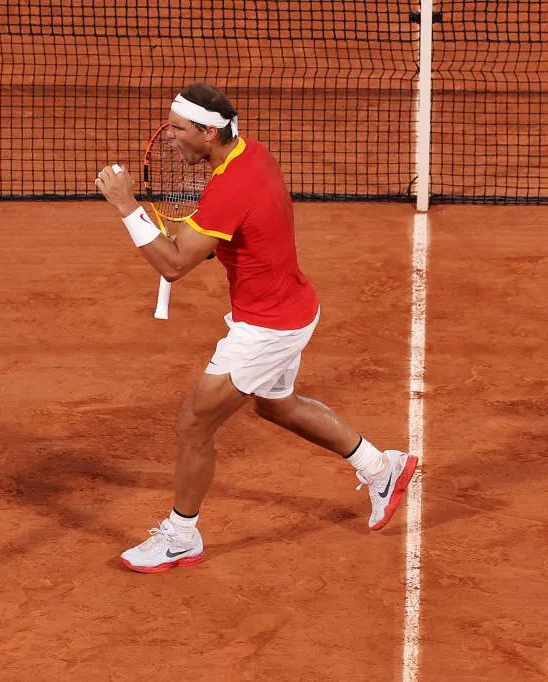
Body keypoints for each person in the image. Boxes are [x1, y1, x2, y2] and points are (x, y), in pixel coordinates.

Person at [95, 82, 418, 574]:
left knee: (194, 424)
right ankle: (381, 467)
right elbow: (203, 236)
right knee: (277, 405)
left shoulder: (231, 187)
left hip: (268, 328)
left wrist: (126, 207)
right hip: (291, 308)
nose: (170, 139)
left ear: (209, 131)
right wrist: (170, 233)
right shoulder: (250, 155)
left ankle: (181, 537)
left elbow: (175, 265)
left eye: (179, 131)